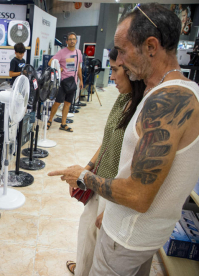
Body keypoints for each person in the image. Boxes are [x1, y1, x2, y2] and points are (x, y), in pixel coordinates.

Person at [49, 3, 199, 275]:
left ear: (151, 46)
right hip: (140, 235)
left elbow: (137, 194)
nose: (118, 58)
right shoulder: (172, 92)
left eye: (122, 49)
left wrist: (82, 176)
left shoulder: (167, 102)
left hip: (126, 239)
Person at [66, 48, 145, 275]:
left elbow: (135, 169)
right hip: (99, 180)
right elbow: (108, 139)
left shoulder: (143, 110)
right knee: (87, 229)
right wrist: (88, 168)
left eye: (115, 70)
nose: (111, 76)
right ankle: (82, 268)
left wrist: (112, 210)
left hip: (116, 191)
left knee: (102, 241)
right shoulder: (122, 98)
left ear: (130, 70)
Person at [47, 32, 83, 132]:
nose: (72, 41)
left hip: (73, 82)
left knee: (67, 103)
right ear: (66, 41)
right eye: (70, 39)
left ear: (76, 41)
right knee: (58, 102)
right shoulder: (62, 52)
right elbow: (50, 62)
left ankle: (63, 124)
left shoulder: (78, 52)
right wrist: (59, 69)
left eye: (74, 39)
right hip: (63, 82)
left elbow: (78, 67)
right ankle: (50, 120)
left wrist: (81, 80)